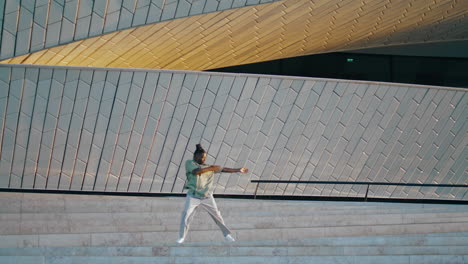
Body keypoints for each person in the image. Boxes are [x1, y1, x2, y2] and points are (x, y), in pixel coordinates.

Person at [177, 144, 248, 244]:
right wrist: (211, 168)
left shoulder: (209, 167)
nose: (203, 159)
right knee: (186, 215)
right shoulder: (190, 163)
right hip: (193, 196)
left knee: (217, 216)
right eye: (202, 157)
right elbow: (196, 172)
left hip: (206, 196)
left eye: (205, 157)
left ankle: (227, 235)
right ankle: (182, 237)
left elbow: (224, 169)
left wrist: (238, 170)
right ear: (195, 156)